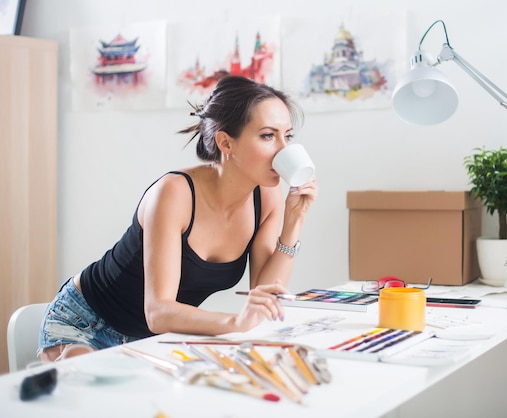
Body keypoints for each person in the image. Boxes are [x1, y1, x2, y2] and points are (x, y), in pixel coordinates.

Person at [38, 75, 318, 362]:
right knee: (90, 390)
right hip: (86, 323)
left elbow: (264, 297)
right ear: (226, 143)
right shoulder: (175, 193)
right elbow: (158, 311)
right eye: (268, 136)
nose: (284, 149)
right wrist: (234, 322)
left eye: (289, 136)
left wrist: (294, 222)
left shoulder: (267, 197)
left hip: (152, 341)